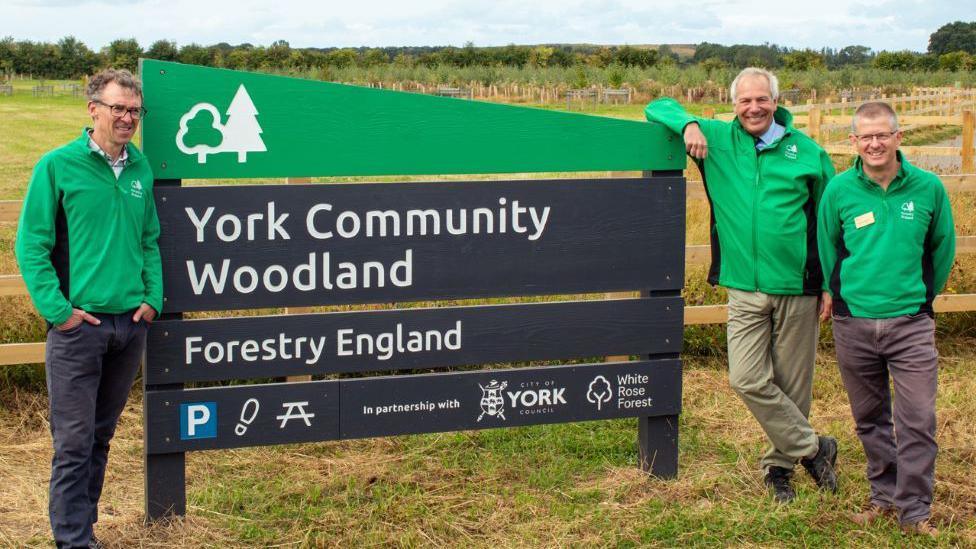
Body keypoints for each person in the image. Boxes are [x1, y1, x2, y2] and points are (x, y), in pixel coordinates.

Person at [645, 68, 837, 502]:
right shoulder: (716, 140)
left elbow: (829, 225)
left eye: (761, 100)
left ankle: (778, 468)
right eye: (745, 101)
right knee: (746, 378)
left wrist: (828, 283)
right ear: (734, 104)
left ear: (776, 101)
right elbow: (656, 106)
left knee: (792, 385)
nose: (753, 108)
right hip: (744, 286)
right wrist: (689, 124)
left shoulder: (808, 153)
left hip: (799, 286)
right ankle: (813, 448)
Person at [15, 68, 162, 548]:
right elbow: (31, 246)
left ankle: (85, 527)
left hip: (128, 326)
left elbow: (148, 240)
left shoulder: (139, 169)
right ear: (93, 109)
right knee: (74, 445)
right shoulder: (57, 166)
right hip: (80, 329)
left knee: (100, 437)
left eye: (133, 110)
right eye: (117, 108)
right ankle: (73, 540)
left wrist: (151, 298)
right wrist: (60, 312)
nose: (126, 118)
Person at [818, 101, 954, 538]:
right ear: (853, 142)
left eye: (883, 134)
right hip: (854, 323)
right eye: (865, 136)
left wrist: (920, 299)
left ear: (899, 137)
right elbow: (827, 248)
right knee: (870, 418)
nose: (875, 143)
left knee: (917, 418)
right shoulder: (839, 190)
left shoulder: (929, 188)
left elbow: (942, 248)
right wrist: (836, 297)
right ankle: (884, 497)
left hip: (911, 324)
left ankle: (915, 512)